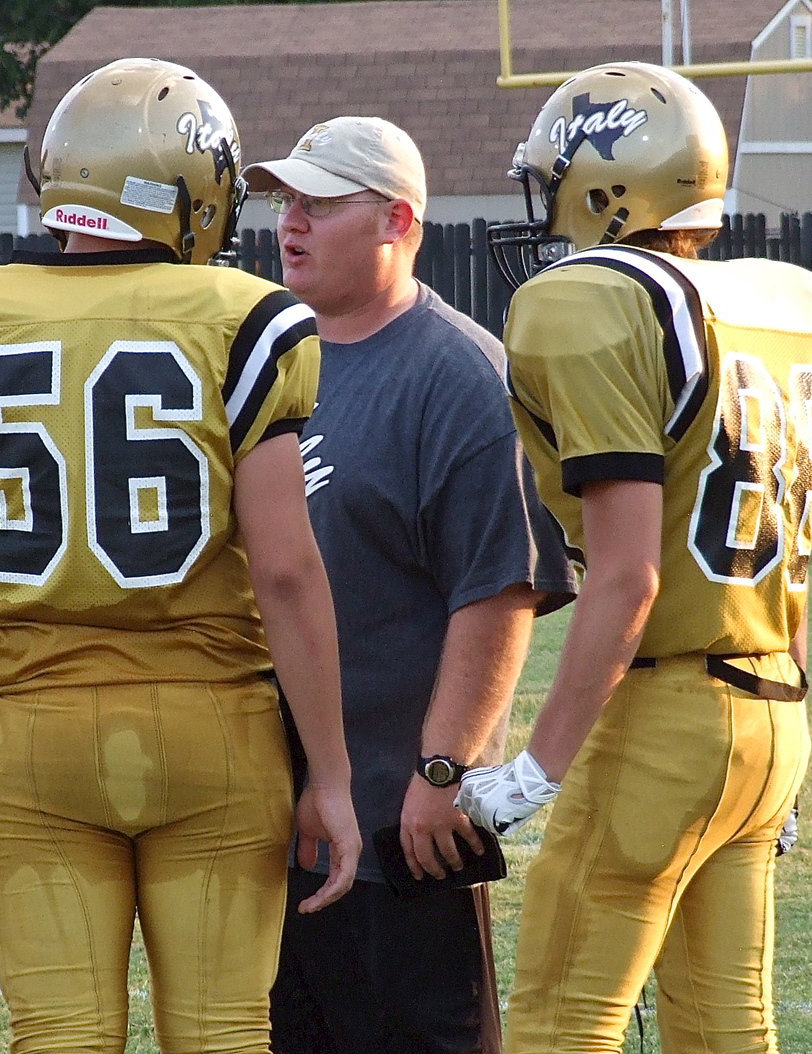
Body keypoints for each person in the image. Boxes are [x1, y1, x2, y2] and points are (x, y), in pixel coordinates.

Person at [0, 58, 360, 1054]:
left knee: (57, 1036)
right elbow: (290, 571)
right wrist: (332, 774)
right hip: (213, 733)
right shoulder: (245, 316)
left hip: (32, 737)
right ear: (194, 191)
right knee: (222, 1034)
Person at [456, 61, 812, 1054]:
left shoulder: (592, 301)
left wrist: (536, 769)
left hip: (665, 717)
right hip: (770, 706)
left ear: (607, 189)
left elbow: (630, 574)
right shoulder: (789, 305)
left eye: (552, 186)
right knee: (727, 1029)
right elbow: (791, 557)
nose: (543, 214)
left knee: (561, 1024)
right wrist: (785, 726)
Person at [239, 116, 577, 1054]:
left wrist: (441, 772)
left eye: (319, 204)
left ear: (396, 220)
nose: (290, 222)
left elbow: (499, 591)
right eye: (286, 202)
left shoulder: (457, 372)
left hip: (401, 822)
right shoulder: (268, 359)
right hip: (264, 817)